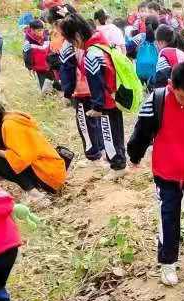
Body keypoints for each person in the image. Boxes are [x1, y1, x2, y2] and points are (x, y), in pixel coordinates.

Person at [128, 62, 184, 287]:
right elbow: (141, 132)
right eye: (183, 98)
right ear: (171, 85)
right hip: (166, 173)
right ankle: (168, 262)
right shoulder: (156, 102)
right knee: (168, 217)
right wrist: (134, 157)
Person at [0, 94, 68, 204]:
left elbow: (21, 159)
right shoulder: (6, 119)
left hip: (50, 176)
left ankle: (37, 195)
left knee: (1, 160)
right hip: (50, 169)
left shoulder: (10, 125)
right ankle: (34, 188)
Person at [59, 14, 126, 179]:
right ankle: (120, 160)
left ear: (77, 36)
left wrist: (97, 107)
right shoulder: (101, 42)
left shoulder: (91, 54)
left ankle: (117, 166)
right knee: (117, 132)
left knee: (108, 133)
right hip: (114, 96)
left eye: (72, 41)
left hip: (106, 102)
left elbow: (96, 83)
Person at [151, 24, 184, 89]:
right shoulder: (180, 52)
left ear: (161, 42)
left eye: (156, 43)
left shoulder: (164, 55)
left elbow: (161, 79)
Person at [23, 20, 55, 93]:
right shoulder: (28, 42)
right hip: (39, 68)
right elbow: (26, 55)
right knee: (43, 86)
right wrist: (29, 67)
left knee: (53, 84)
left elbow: (51, 49)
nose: (41, 32)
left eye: (42, 30)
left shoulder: (46, 36)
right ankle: (46, 99)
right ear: (32, 30)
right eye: (38, 31)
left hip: (50, 66)